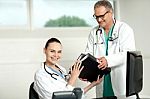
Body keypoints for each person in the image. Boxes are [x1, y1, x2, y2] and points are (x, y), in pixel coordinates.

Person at [85, 0, 136, 99]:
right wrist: (86, 71)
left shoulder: (124, 29)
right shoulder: (94, 32)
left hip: (120, 77)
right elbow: (88, 53)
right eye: (96, 16)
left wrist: (107, 60)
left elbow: (127, 53)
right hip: (102, 79)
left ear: (111, 12)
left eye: (102, 16)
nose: (99, 20)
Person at [33, 38, 102, 99]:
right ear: (45, 51)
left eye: (59, 52)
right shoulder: (40, 75)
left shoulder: (61, 70)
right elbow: (57, 97)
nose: (56, 55)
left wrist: (93, 84)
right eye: (52, 51)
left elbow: (74, 95)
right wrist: (72, 78)